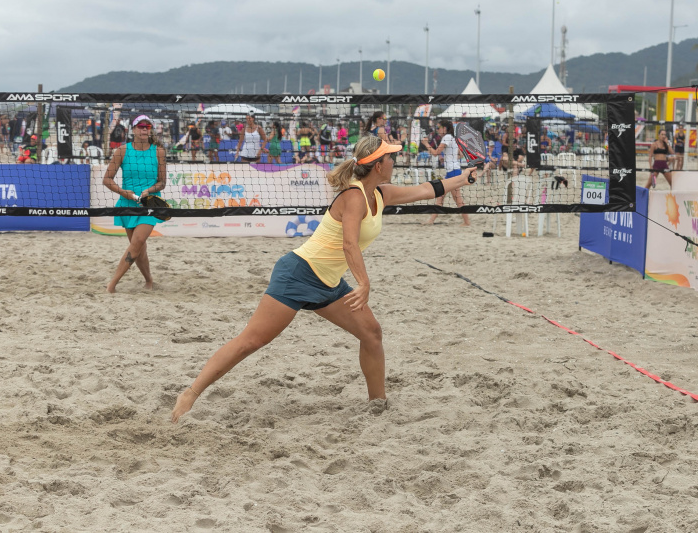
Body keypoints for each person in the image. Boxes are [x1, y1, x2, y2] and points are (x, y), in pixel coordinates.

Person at [170, 136, 477, 422]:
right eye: (390, 158)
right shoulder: (354, 196)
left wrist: (466, 176)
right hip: (299, 273)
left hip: (327, 282)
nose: (394, 162)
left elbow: (428, 189)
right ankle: (190, 394)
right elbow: (349, 244)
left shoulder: (381, 193)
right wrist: (364, 282)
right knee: (252, 341)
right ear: (377, 165)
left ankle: (377, 405)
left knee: (371, 334)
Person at [102, 115, 167, 293]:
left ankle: (112, 284)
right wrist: (125, 193)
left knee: (137, 241)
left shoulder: (158, 151)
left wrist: (149, 190)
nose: (144, 129)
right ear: (133, 129)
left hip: (150, 203)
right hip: (127, 202)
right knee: (138, 248)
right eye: (140, 126)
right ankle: (149, 280)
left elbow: (162, 182)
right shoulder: (122, 151)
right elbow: (107, 179)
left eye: (147, 126)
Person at [422, 120, 471, 226]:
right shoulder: (453, 138)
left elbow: (435, 153)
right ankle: (431, 220)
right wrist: (449, 159)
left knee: (457, 199)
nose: (438, 129)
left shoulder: (447, 137)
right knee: (440, 195)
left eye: (439, 127)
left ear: (445, 128)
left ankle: (467, 222)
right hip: (452, 171)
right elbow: (461, 154)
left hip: (453, 172)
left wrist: (425, 143)